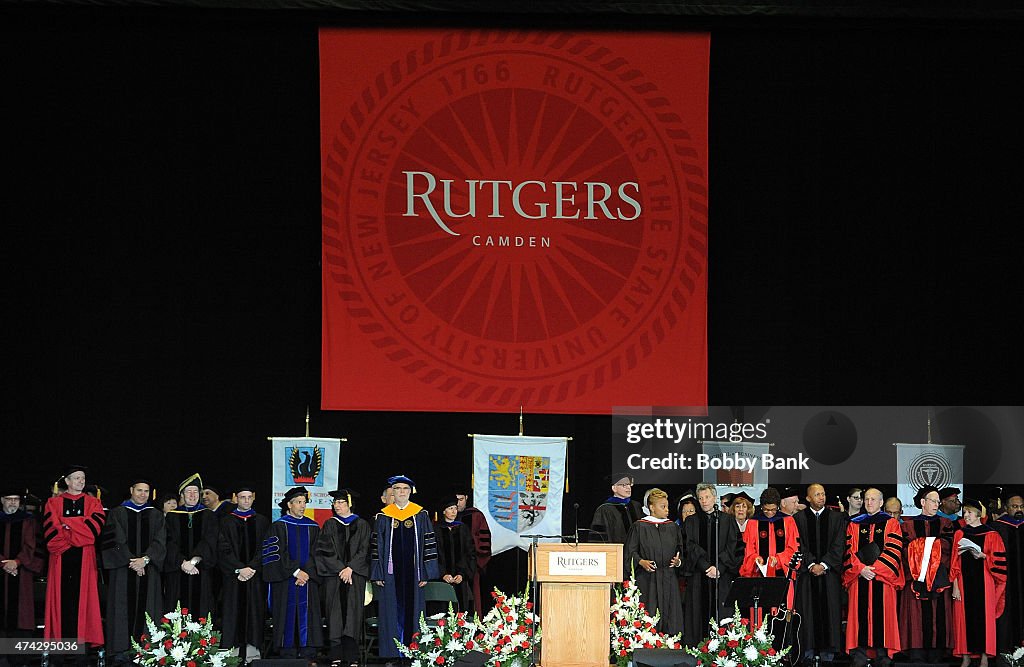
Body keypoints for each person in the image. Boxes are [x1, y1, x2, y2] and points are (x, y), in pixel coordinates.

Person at [370, 475, 440, 661]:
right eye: (398, 488)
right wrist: (378, 572)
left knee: (414, 611)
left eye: (405, 489)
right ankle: (392, 655)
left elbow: (429, 545)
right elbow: (376, 546)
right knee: (390, 611)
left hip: (414, 573)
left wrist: (425, 572)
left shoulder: (420, 515)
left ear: (411, 492)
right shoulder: (383, 516)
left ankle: (414, 652)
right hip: (390, 574)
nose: (401, 492)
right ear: (392, 492)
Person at [100, 478, 166, 665]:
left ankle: (147, 650)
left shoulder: (156, 515)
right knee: (121, 607)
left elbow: (160, 541)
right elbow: (115, 540)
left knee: (148, 609)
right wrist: (133, 562)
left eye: (146, 491)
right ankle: (120, 651)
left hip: (148, 570)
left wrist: (145, 560)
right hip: (123, 570)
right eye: (139, 490)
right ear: (131, 490)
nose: (142, 494)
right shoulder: (117, 513)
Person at [43, 465, 105, 651]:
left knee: (84, 603)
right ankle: (60, 650)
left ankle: (82, 649)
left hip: (85, 561)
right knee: (62, 604)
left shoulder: (94, 503)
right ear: (67, 481)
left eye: (83, 478)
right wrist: (78, 527)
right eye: (76, 478)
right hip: (60, 559)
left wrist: (66, 525)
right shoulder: (52, 503)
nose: (81, 481)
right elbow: (52, 538)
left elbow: (91, 534)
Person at [843, 488, 904, 667]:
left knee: (883, 619)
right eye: (866, 499)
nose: (869, 502)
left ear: (881, 502)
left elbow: (894, 551)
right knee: (859, 618)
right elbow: (849, 551)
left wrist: (874, 569)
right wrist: (861, 569)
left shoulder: (891, 523)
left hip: (881, 580)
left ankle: (883, 657)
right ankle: (859, 656)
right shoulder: (854, 524)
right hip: (859, 578)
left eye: (873, 499)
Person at [262, 486, 323, 659]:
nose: (302, 506)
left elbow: (317, 554)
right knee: (286, 613)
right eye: (298, 502)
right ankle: (286, 649)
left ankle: (308, 649)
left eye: (304, 502)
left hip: (308, 580)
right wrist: (295, 572)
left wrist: (306, 573)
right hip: (286, 579)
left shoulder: (313, 527)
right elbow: (276, 553)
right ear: (289, 505)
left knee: (308, 614)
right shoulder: (278, 526)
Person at [899, 485, 955, 663]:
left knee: (939, 615)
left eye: (938, 501)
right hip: (916, 577)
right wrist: (928, 547)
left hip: (938, 578)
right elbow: (904, 549)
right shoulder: (907, 524)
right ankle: (916, 651)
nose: (937, 504)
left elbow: (947, 545)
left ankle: (937, 652)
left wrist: (922, 545)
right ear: (923, 502)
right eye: (933, 501)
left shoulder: (946, 523)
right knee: (916, 616)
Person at [315, 488, 370, 667]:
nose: (337, 505)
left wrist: (351, 568)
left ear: (350, 504)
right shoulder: (329, 525)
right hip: (335, 576)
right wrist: (341, 569)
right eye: (335, 502)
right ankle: (336, 654)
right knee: (335, 614)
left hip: (355, 577)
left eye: (341, 502)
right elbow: (325, 551)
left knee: (353, 614)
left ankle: (352, 656)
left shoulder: (362, 524)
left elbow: (365, 550)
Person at [793, 483, 846, 664]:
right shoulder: (798, 518)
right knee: (807, 611)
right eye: (817, 495)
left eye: (823, 494)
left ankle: (828, 652)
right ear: (808, 498)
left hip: (829, 574)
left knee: (830, 610)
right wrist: (810, 565)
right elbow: (799, 545)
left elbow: (839, 545)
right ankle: (807, 651)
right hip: (808, 576)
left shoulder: (837, 518)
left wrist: (824, 564)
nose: (821, 497)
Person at [681, 483, 739, 646]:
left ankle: (723, 651)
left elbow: (733, 546)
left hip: (721, 577)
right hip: (700, 577)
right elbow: (689, 546)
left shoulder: (727, 520)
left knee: (722, 616)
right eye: (700, 498)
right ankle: (697, 651)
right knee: (698, 616)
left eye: (707, 497)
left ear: (714, 497)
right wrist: (705, 566)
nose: (704, 501)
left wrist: (719, 567)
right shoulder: (691, 521)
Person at [950, 498, 1006, 667]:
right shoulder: (960, 534)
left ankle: (984, 656)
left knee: (984, 618)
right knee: (963, 619)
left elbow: (1000, 563)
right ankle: (965, 656)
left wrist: (984, 556)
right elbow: (954, 563)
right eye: (965, 512)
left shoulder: (991, 534)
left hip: (985, 583)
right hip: (964, 583)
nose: (966, 515)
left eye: (969, 512)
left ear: (978, 514)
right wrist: (955, 587)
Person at [218, 484, 269, 664]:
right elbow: (223, 549)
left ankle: (252, 655)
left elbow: (265, 548)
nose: (246, 501)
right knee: (233, 613)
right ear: (235, 498)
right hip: (234, 577)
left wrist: (253, 567)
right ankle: (232, 657)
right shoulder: (226, 521)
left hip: (255, 578)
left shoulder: (262, 521)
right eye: (242, 497)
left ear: (253, 498)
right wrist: (239, 568)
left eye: (249, 497)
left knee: (254, 615)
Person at [624, 488, 683, 635]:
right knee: (648, 617)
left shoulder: (672, 527)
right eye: (663, 506)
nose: (667, 510)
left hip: (669, 579)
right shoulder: (639, 526)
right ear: (652, 507)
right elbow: (629, 552)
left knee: (671, 617)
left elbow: (681, 551)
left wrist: (678, 561)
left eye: (667, 506)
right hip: (647, 580)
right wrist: (640, 561)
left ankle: (671, 648)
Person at [163, 473, 219, 619]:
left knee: (201, 608)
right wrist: (182, 562)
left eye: (195, 491)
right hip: (177, 570)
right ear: (182, 494)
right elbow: (169, 542)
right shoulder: (172, 516)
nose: (192, 495)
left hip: (200, 570)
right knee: (176, 608)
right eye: (188, 491)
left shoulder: (209, 515)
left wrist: (193, 561)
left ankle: (202, 641)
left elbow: (210, 540)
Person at [1, 488, 44, 666]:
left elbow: (32, 546)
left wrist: (17, 562)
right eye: (9, 499)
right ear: (2, 500)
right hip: (4, 571)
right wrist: (4, 563)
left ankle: (19, 660)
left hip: (21, 574)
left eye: (16, 499)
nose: (13, 503)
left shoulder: (28, 521)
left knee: (21, 616)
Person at [740, 487, 800, 611]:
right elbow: (748, 550)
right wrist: (756, 559)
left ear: (778, 506)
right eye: (766, 510)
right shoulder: (753, 523)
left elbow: (793, 548)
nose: (770, 513)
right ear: (761, 506)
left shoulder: (788, 521)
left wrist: (778, 560)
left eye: (773, 509)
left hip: (782, 575)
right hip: (759, 576)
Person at [993, 488, 1023, 663]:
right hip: (1006, 584)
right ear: (1006, 507)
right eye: (1014, 506)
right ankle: (1005, 654)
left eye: (1021, 506)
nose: (1018, 509)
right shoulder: (997, 527)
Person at [434, 497, 476, 613]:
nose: (453, 512)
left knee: (461, 611)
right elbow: (433, 555)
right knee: (442, 613)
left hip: (460, 581)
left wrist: (462, 574)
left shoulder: (463, 529)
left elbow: (470, 554)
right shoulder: (436, 530)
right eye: (450, 508)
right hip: (442, 580)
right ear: (443, 511)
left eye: (455, 508)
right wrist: (442, 574)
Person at [455, 488, 491, 617]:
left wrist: (477, 563)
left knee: (474, 599)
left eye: (461, 500)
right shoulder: (447, 519)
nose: (458, 504)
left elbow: (484, 541)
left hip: (472, 567)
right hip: (452, 568)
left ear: (466, 498)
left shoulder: (475, 515)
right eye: (455, 500)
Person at [591, 473, 644, 544]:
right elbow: (599, 536)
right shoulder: (605, 509)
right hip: (616, 551)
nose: (628, 488)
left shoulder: (636, 506)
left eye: (629, 484)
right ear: (614, 488)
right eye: (624, 485)